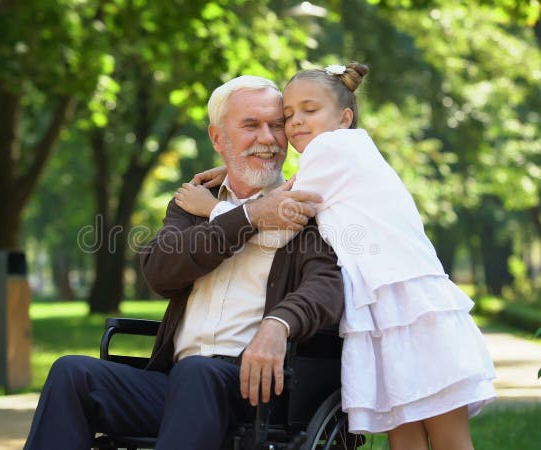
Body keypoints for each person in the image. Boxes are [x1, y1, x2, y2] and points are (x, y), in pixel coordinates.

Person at [177, 63, 496, 450]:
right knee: (409, 433)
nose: (295, 123)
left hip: (410, 311)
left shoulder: (333, 149)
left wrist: (210, 208)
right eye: (289, 115)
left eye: (309, 111)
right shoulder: (345, 153)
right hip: (392, 310)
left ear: (344, 118)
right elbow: (284, 193)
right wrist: (230, 167)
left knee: (443, 439)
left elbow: (280, 213)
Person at [23, 75, 345, 450]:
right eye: (250, 126)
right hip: (176, 384)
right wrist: (248, 217)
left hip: (255, 391)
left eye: (277, 125)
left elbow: (327, 287)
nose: (268, 138)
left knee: (198, 372)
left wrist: (278, 324)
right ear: (217, 139)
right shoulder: (192, 203)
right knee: (71, 373)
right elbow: (160, 270)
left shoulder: (306, 206)